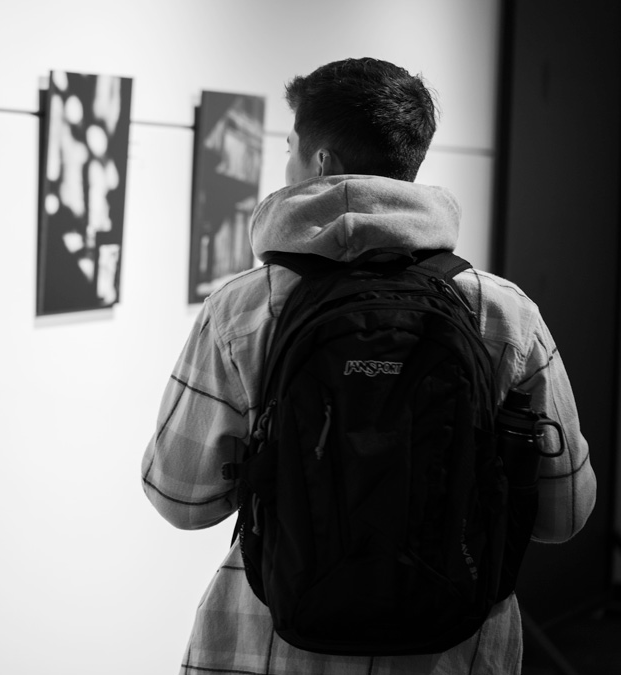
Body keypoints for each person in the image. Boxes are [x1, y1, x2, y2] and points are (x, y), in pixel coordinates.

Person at [141, 57, 596, 674]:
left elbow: (181, 498)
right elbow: (562, 514)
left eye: (289, 148)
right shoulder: (503, 311)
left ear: (320, 163)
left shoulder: (244, 309)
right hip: (455, 647)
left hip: (272, 643)